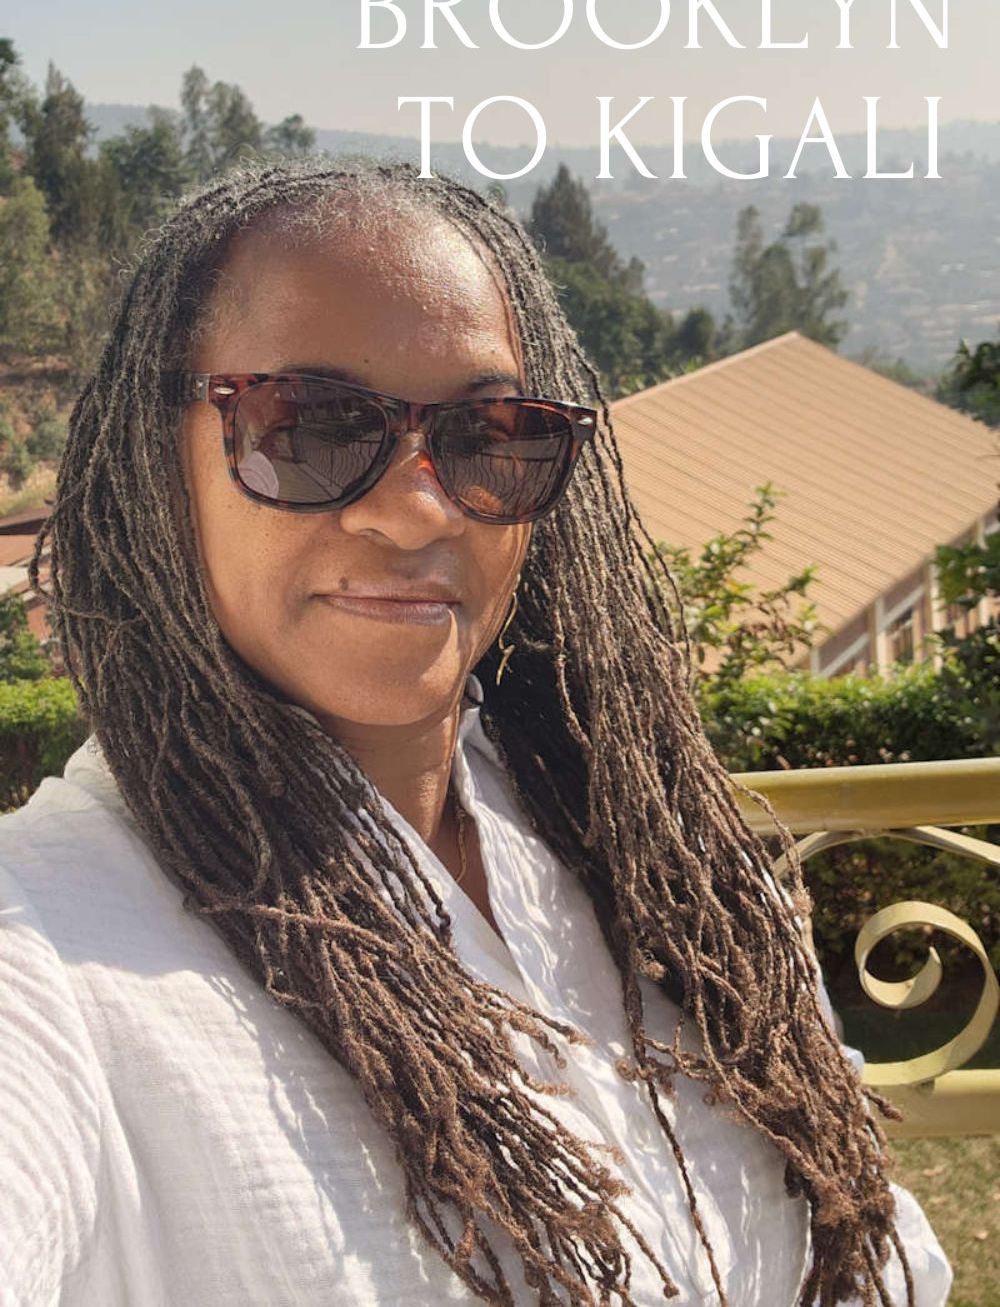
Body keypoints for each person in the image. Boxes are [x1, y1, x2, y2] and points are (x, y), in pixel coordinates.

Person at [0, 158, 950, 1307]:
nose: (417, 510)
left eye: (489, 433)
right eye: (309, 425)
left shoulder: (663, 867)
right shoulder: (51, 961)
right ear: (158, 461)